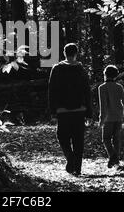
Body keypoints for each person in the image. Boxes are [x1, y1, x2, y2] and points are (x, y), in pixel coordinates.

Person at [48, 43, 92, 175]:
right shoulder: (81, 69)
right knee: (78, 140)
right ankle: (77, 168)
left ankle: (70, 159)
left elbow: (52, 90)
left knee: (62, 137)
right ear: (76, 53)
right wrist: (89, 112)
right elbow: (87, 91)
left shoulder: (57, 68)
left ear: (64, 53)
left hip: (63, 110)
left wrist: (52, 111)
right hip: (80, 110)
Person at [98, 65, 124, 168]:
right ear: (116, 75)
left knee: (106, 138)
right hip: (119, 116)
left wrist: (101, 119)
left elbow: (103, 105)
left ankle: (113, 156)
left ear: (105, 75)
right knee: (116, 138)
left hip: (108, 117)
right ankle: (116, 159)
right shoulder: (119, 86)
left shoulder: (102, 87)